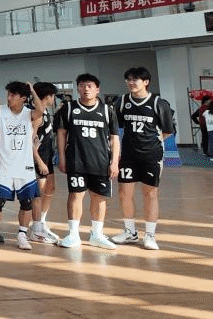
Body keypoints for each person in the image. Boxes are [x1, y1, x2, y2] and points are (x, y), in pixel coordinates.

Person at [111, 67, 175, 250]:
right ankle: (130, 232)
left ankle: (150, 235)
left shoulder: (158, 103)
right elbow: (114, 127)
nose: (131, 83)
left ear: (146, 82)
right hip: (128, 155)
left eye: (135, 79)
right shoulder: (122, 101)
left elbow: (168, 130)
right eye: (128, 79)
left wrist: (152, 141)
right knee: (124, 193)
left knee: (150, 194)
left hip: (151, 155)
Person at [55, 73, 120, 250]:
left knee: (99, 197)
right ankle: (73, 234)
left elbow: (114, 137)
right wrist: (61, 157)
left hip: (101, 161)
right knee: (76, 195)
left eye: (90, 86)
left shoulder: (107, 110)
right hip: (76, 160)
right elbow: (61, 134)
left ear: (97, 89)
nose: (86, 89)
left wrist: (114, 162)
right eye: (82, 85)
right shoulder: (69, 108)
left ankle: (97, 235)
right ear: (77, 88)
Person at [0, 81, 44, 250]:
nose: (9, 98)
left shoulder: (29, 113)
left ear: (23, 98)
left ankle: (22, 235)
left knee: (26, 202)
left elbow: (40, 110)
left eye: (13, 95)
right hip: (4, 163)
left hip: (24, 165)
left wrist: (32, 90)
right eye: (8, 94)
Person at [28, 82, 60, 244]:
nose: (54, 99)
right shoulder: (37, 114)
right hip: (38, 159)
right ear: (48, 96)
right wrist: (39, 162)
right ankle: (36, 229)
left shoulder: (46, 111)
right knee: (38, 195)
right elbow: (31, 141)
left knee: (50, 188)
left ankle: (41, 222)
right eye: (53, 96)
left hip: (48, 157)